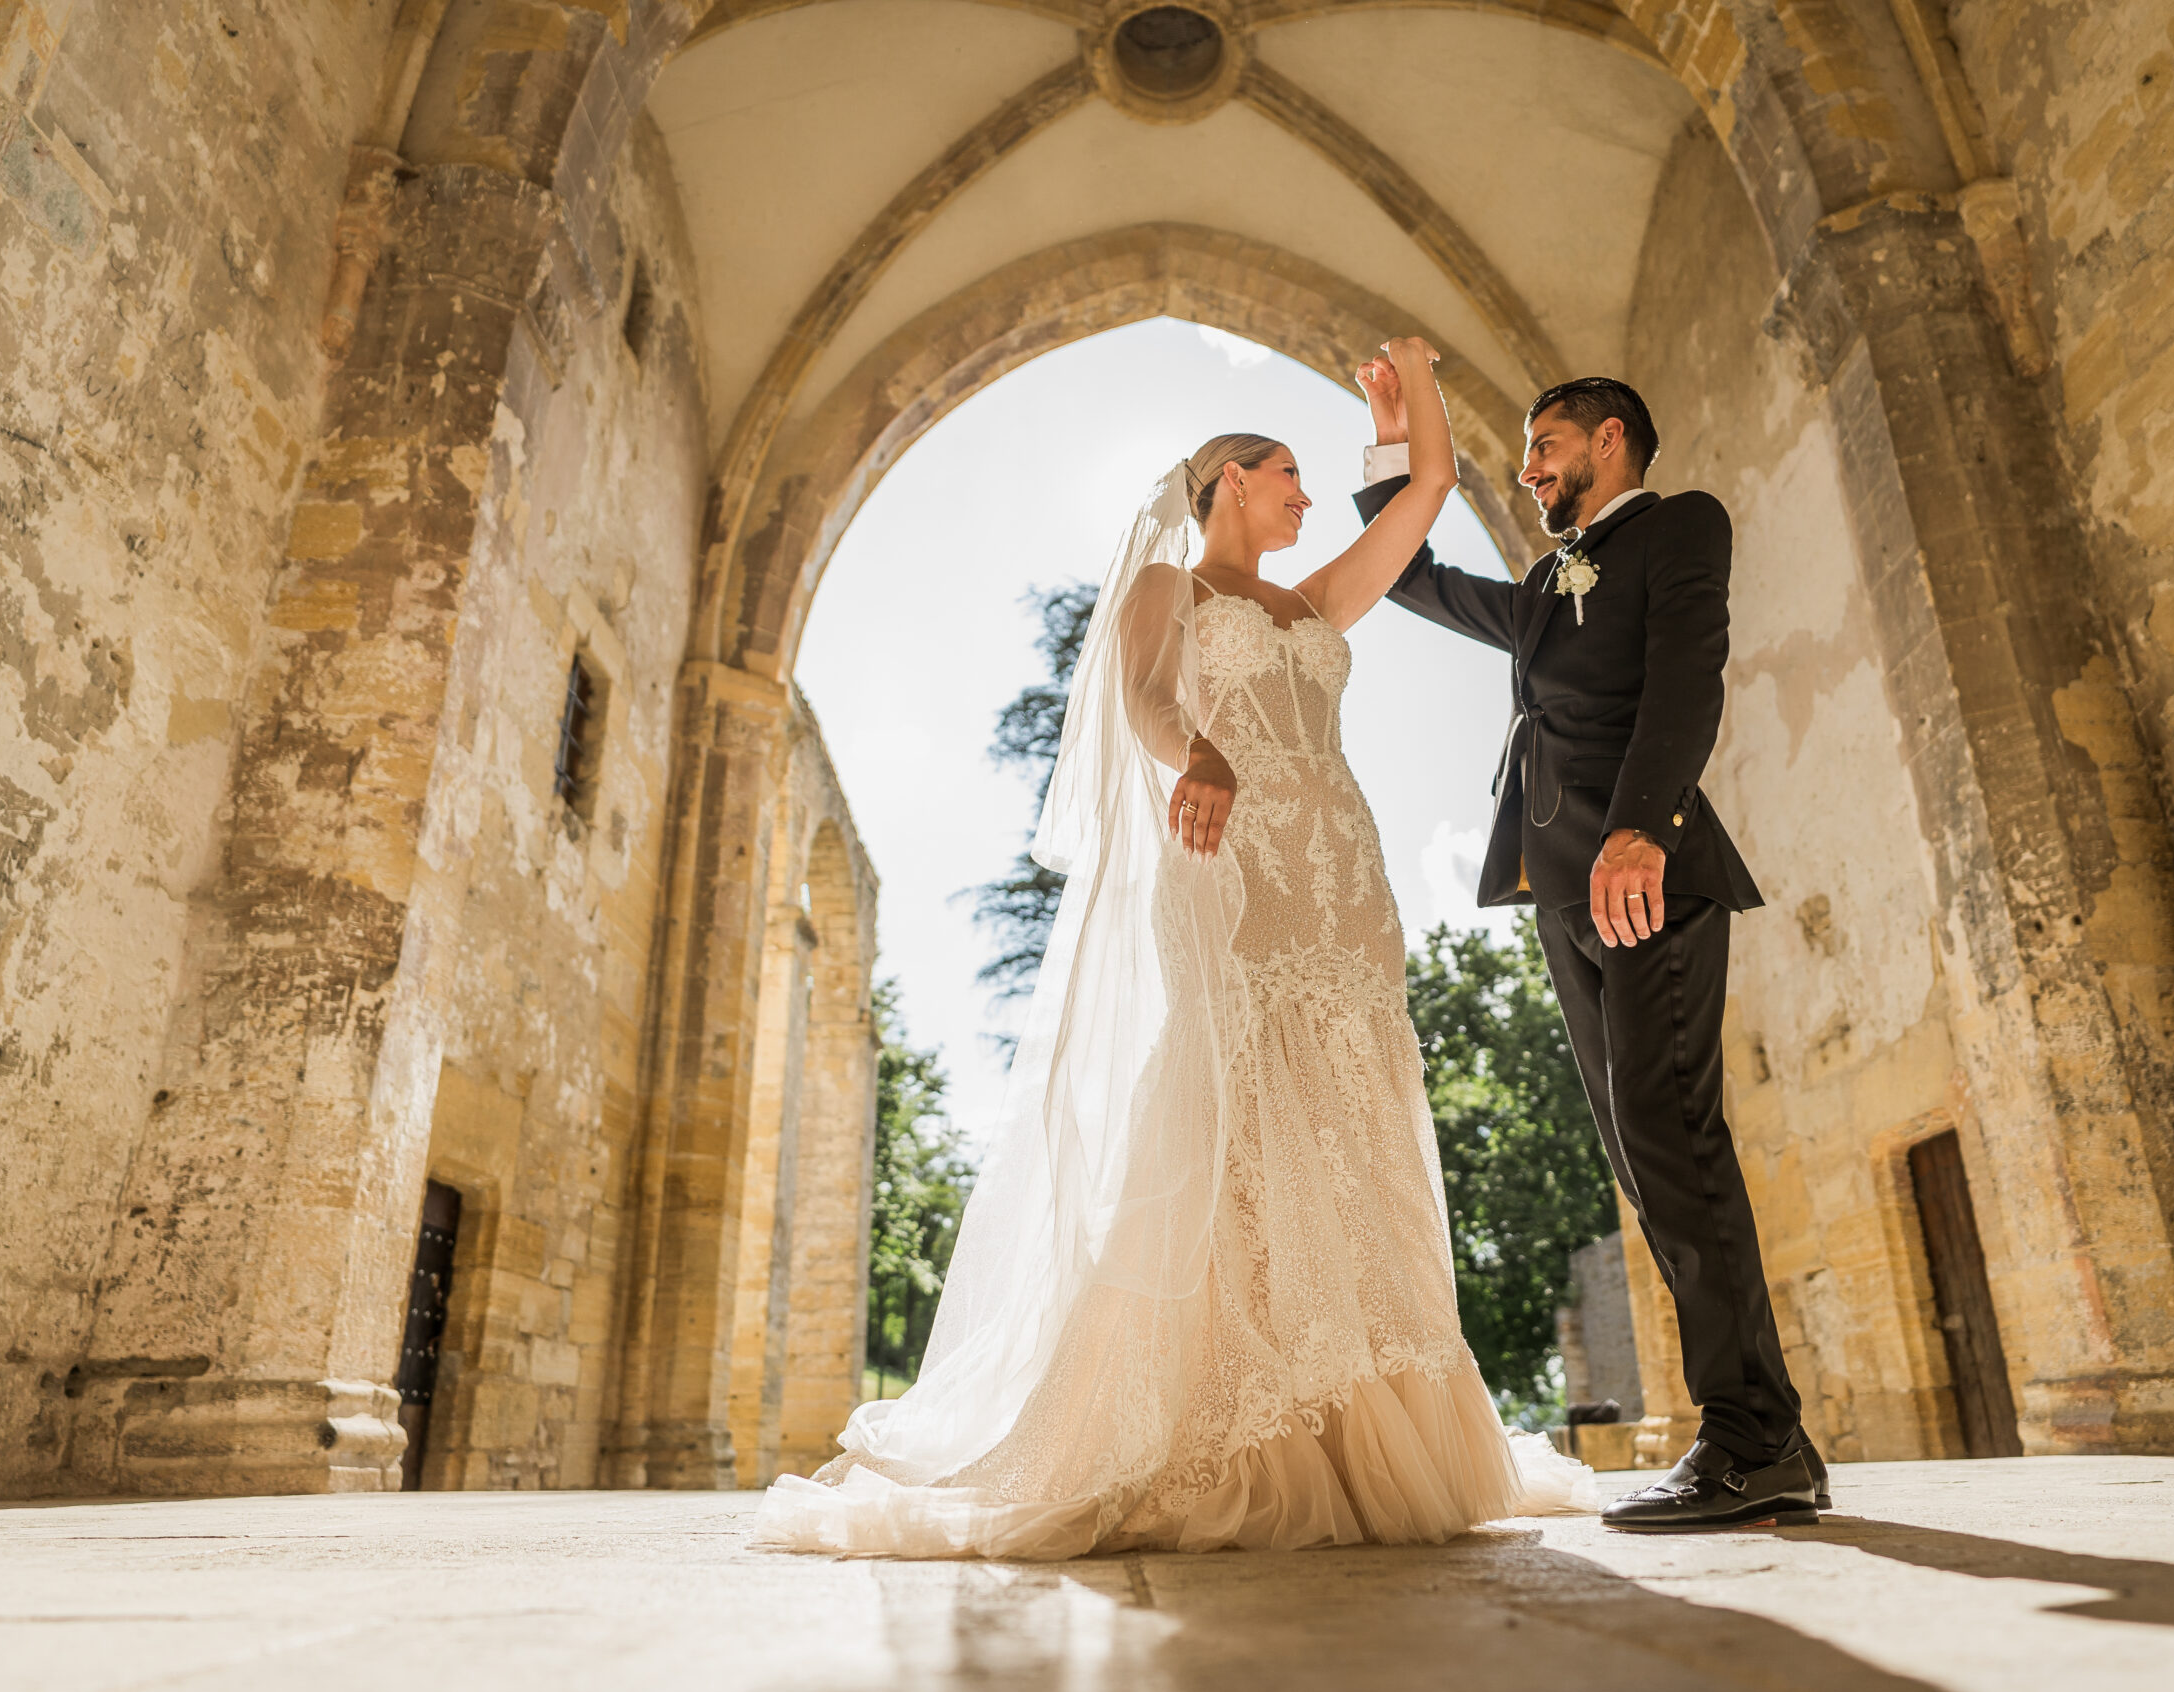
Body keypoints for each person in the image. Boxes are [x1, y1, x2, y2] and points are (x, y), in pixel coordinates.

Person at [756, 336, 1606, 1560]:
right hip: (1234, 853)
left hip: (1344, 876)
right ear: (1225, 487)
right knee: (1240, 1105)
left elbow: (1425, 496)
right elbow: (1143, 700)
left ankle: (1361, 1406)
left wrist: (1404, 384)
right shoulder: (1174, 589)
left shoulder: (1314, 604)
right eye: (1287, 477)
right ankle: (1230, 1411)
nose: (1307, 499)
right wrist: (1199, 753)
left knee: (1352, 1107)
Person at [1353, 363, 1827, 1531]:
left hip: (1640, 874)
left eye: (1543, 446)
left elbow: (1685, 682)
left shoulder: (1679, 528)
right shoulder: (1544, 584)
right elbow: (1409, 579)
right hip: (1563, 887)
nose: (1526, 470)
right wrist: (1390, 452)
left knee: (1673, 1139)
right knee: (1642, 1152)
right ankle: (1767, 1440)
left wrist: (1638, 830)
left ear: (1609, 440)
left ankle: (1753, 1438)